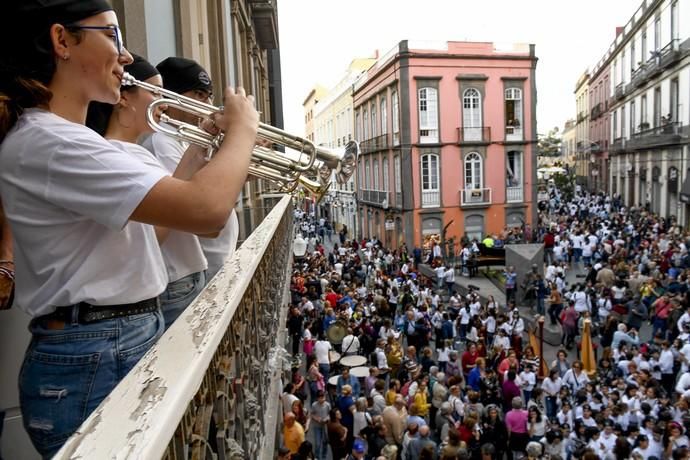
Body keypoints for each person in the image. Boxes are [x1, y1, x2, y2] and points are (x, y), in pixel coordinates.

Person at [0, 2, 258, 456]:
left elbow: (155, 231)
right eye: (112, 36)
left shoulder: (70, 140)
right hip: (94, 353)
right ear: (63, 41)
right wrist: (244, 129)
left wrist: (208, 152)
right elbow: (207, 210)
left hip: (109, 342)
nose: (125, 56)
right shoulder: (51, 141)